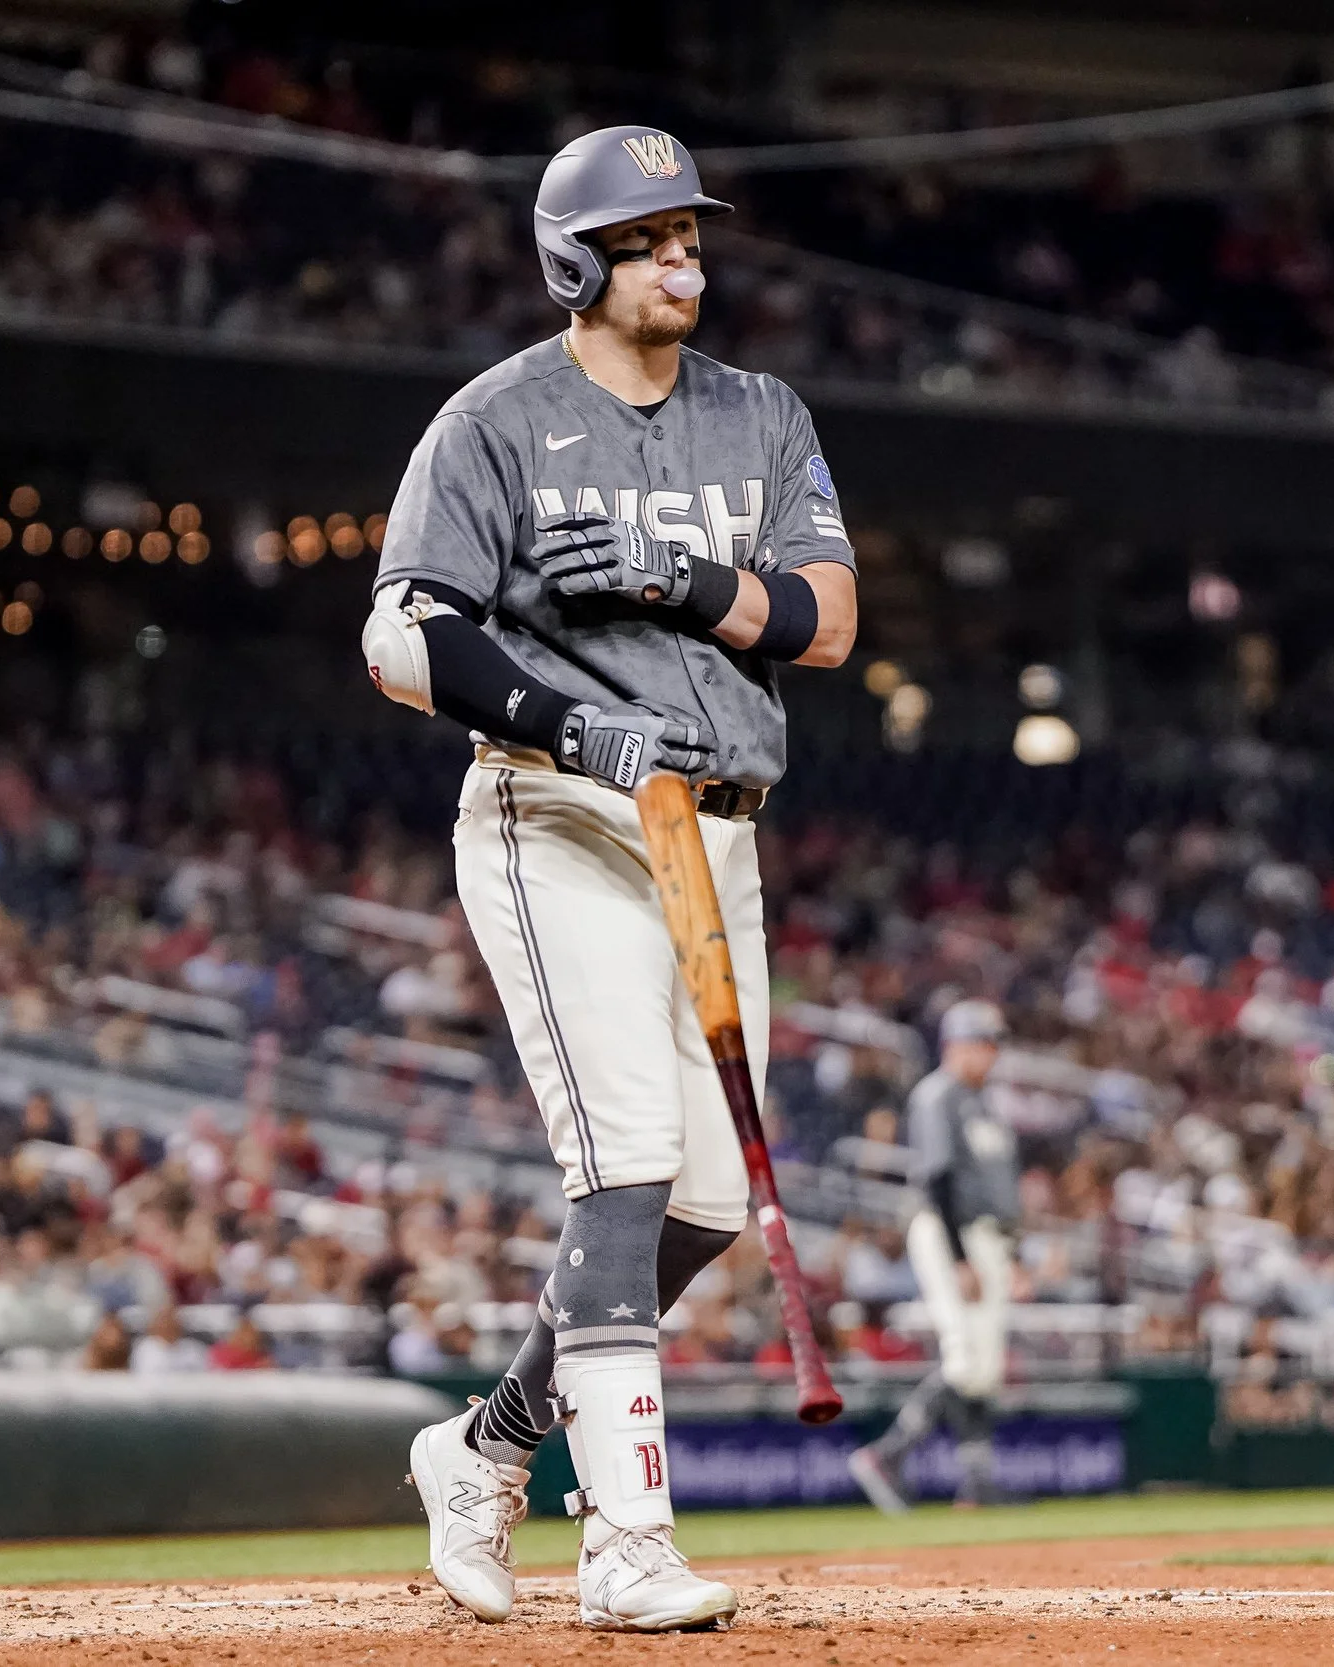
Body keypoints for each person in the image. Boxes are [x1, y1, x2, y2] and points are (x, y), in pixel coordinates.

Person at [369, 124, 856, 1633]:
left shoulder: (761, 414)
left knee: (707, 1198)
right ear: (576, 259)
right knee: (631, 1153)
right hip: (556, 813)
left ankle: (487, 1446)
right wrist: (565, 714)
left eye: (691, 235)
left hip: (718, 828)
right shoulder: (495, 421)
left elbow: (831, 623)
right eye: (651, 239)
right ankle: (625, 1536)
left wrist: (690, 584)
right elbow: (401, 633)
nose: (683, 258)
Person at [847, 1000, 1020, 1513]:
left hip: (989, 1236)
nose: (990, 1054)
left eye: (992, 1044)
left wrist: (1014, 1257)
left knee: (984, 1367)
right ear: (956, 1045)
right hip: (951, 1232)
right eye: (983, 1043)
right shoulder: (938, 1095)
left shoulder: (983, 1101)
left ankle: (976, 1484)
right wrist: (961, 1256)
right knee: (965, 1358)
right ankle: (886, 1455)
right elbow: (938, 1179)